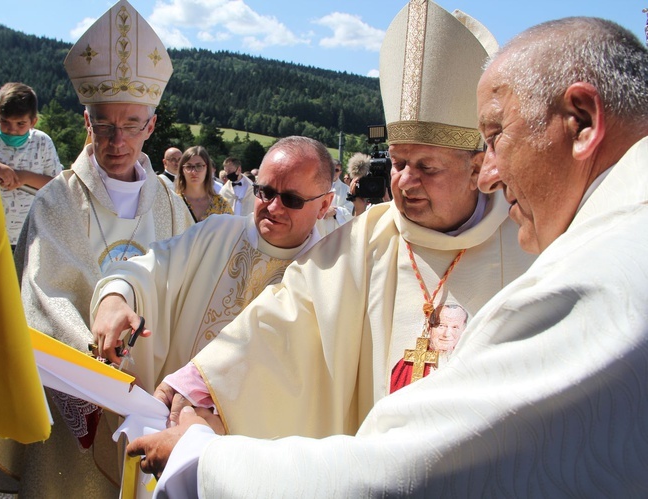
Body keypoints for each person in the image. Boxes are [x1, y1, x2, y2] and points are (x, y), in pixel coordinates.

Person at [135, 14, 648, 496]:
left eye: (428, 165)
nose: (404, 182)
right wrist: (205, 385)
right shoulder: (369, 237)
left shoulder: (571, 254)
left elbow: (420, 470)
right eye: (398, 162)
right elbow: (288, 317)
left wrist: (205, 464)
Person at [0, 1, 193, 496]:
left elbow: (192, 283)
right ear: (86, 121)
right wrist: (95, 367)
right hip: (76, 390)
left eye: (131, 124)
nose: (116, 139)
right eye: (103, 124)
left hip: (153, 390)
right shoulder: (56, 200)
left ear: (151, 124)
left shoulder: (170, 202)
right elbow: (41, 295)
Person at [90, 136, 333, 393]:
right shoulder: (216, 232)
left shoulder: (326, 276)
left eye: (292, 200)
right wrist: (116, 295)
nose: (273, 208)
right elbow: (152, 266)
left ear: (324, 205)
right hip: (167, 415)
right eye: (266, 192)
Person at [0, 82, 62, 250]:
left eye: (20, 124)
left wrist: (24, 177)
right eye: (4, 122)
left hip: (28, 234)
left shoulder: (41, 142)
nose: (12, 129)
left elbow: (58, 184)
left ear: (33, 121)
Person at [175, 145, 232, 222]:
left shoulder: (221, 205)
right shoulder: (174, 203)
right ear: (182, 170)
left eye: (199, 166)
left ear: (207, 169)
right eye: (189, 166)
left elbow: (231, 232)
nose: (194, 172)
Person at [315, 159, 353, 236]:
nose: (333, 172)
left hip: (336, 232)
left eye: (336, 170)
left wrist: (336, 211)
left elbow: (351, 211)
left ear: (340, 172)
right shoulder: (317, 186)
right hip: (319, 229)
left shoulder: (346, 189)